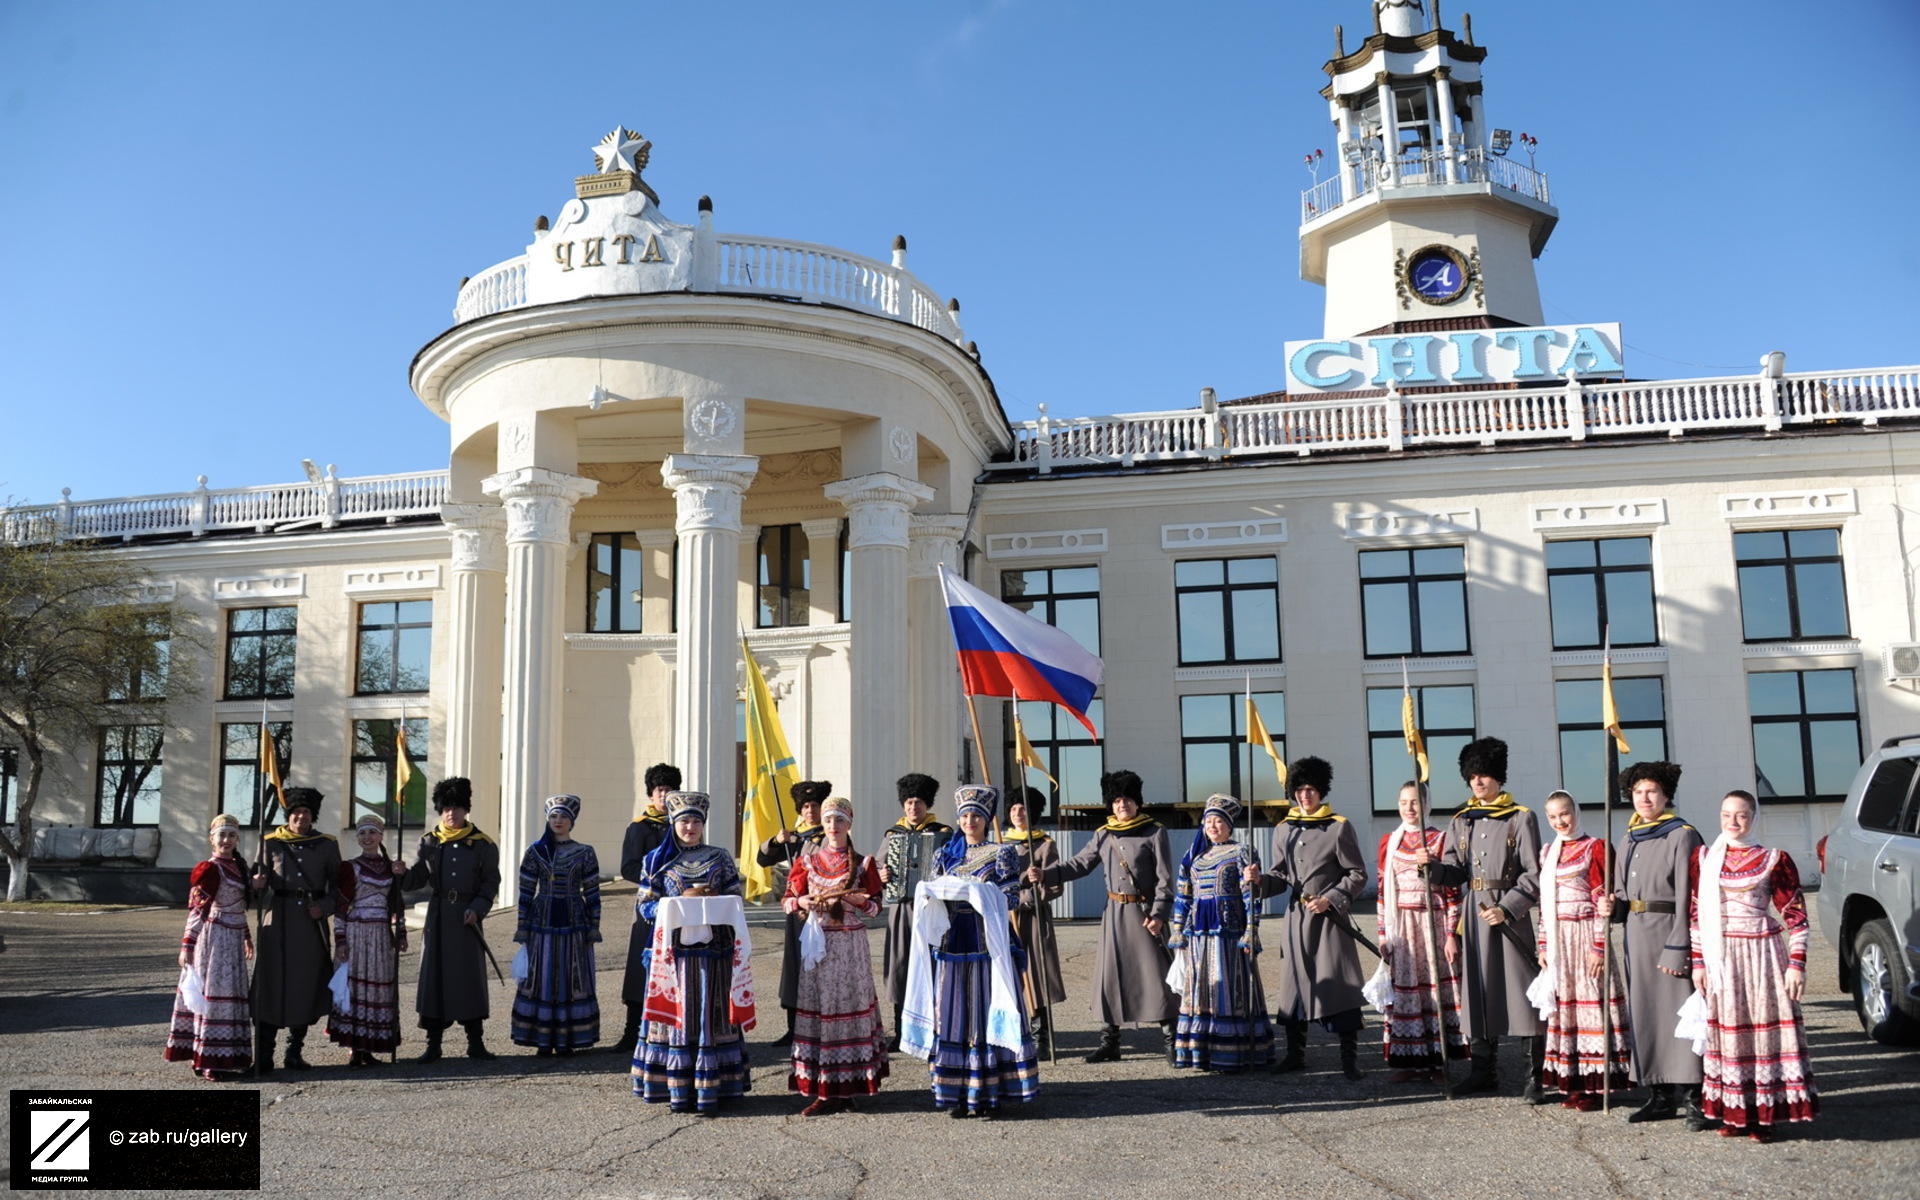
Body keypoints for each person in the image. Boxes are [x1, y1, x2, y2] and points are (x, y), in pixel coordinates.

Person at [1689, 789, 1818, 1141]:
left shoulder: (1774, 859)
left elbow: (1796, 915)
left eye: (1741, 815)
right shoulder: (1705, 858)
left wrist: (1797, 964)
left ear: (1753, 817)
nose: (1733, 822)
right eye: (1726, 814)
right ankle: (1735, 1115)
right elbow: (1696, 914)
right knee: (1729, 1035)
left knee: (1763, 1034)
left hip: (1762, 955)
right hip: (1722, 957)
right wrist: (1698, 963)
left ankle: (1765, 1117)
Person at [1421, 737, 1544, 1096]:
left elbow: (1532, 874)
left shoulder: (1521, 817)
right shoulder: (1461, 821)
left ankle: (1533, 1077)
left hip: (1507, 915)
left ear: (1498, 778)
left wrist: (1508, 908)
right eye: (1473, 776)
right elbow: (1456, 871)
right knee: (1478, 991)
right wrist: (1434, 871)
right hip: (1474, 916)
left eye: (1485, 775)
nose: (1478, 782)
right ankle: (1482, 1072)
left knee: (1521, 991)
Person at [908, 784, 1040, 1118]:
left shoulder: (1002, 853)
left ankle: (987, 1091)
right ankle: (957, 1092)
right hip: (952, 941)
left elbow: (1011, 897)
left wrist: (979, 893)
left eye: (976, 817)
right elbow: (933, 892)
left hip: (986, 941)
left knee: (984, 1009)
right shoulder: (944, 854)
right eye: (965, 816)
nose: (970, 822)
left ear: (986, 820)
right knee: (953, 1013)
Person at [1032, 769, 1177, 1063]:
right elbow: (1078, 865)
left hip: (1145, 913)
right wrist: (1044, 874)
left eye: (1128, 799)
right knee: (1110, 977)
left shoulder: (1154, 832)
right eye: (1117, 800)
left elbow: (1165, 880)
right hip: (1114, 915)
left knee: (1158, 977)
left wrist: (1160, 914)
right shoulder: (1104, 834)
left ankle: (1172, 1040)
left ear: (1138, 803)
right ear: (1111, 804)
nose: (1122, 805)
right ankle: (1110, 1042)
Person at [1597, 760, 1707, 1125]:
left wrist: (1681, 945)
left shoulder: (1681, 834)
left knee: (1680, 1015)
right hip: (1636, 936)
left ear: (1666, 795)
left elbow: (1691, 897)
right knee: (1646, 1016)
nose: (1644, 798)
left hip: (1668, 934)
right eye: (1638, 792)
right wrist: (1612, 905)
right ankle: (1660, 1094)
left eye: (1652, 792)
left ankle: (1696, 1095)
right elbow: (1623, 893)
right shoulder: (1628, 836)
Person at [631, 790, 754, 1115]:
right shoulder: (656, 860)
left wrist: (713, 900)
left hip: (714, 955)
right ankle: (675, 1087)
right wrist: (676, 905)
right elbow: (643, 906)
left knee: (712, 1016)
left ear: (703, 825)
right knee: (678, 1019)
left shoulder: (720, 857)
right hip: (674, 958)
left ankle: (716, 1086)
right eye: (684, 821)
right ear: (674, 823)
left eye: (696, 822)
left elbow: (735, 898)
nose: (690, 827)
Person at [1262, 757, 1368, 1080]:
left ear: (1321, 791)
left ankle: (1350, 1060)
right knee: (1293, 988)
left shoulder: (1339, 826)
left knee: (1340, 986)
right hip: (1296, 919)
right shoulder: (1283, 830)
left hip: (1329, 921)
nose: (1305, 795)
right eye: (1299, 789)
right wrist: (1258, 882)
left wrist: (1331, 899)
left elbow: (1357, 873)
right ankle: (1295, 1055)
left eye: (1310, 789)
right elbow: (1279, 876)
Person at [782, 795, 888, 1114]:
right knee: (822, 1011)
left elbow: (875, 908)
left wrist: (857, 902)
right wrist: (803, 903)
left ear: (849, 823)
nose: (833, 826)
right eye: (828, 820)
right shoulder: (808, 862)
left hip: (851, 947)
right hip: (820, 947)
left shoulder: (865, 863)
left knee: (849, 1009)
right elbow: (788, 899)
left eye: (839, 820)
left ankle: (850, 1086)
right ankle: (824, 1090)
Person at [1532, 790, 1631, 1110]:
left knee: (1594, 1008)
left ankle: (1598, 1084)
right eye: (1552, 816)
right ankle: (1573, 1079)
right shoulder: (1548, 851)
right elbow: (1543, 905)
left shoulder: (1596, 847)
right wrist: (1543, 945)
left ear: (1576, 811)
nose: (1560, 821)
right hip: (1560, 940)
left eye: (1565, 813)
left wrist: (1599, 947)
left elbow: (1604, 902)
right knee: (1566, 1010)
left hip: (1587, 935)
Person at [1167, 793, 1273, 1073]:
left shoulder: (1242, 852)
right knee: (1201, 990)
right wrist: (1178, 930)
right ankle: (1202, 1052)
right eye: (1208, 821)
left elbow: (1250, 894)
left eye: (1219, 821)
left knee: (1229, 988)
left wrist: (1252, 929)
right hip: (1198, 936)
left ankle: (1233, 1053)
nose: (1213, 826)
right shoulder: (1195, 858)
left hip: (1229, 933)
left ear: (1229, 826)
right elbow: (1183, 896)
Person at [405, 777, 502, 1063]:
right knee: (434, 979)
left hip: (466, 918)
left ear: (465, 810)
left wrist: (479, 907)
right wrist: (399, 873)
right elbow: (417, 878)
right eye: (447, 808)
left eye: (457, 807)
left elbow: (490, 882)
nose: (452, 813)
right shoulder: (430, 841)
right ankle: (433, 1044)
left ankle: (476, 1043)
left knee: (469, 980)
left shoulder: (482, 844)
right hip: (438, 918)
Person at [1376, 781, 1465, 1081]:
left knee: (1434, 992)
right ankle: (1409, 1060)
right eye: (1403, 802)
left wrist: (1452, 933)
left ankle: (1439, 1061)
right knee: (1406, 993)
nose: (1409, 808)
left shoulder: (1440, 840)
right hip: (1402, 926)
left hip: (1433, 924)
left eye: (1414, 802)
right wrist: (1383, 935)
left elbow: (1454, 891)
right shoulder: (1391, 841)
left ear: (1426, 804)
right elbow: (1382, 893)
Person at [251, 786, 340, 1075]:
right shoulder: (270, 842)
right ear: (288, 815)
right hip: (277, 921)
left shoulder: (327, 845)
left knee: (305, 985)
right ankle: (264, 1054)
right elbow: (251, 889)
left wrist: (325, 907)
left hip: (309, 923)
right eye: (296, 812)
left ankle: (294, 1051)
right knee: (271, 984)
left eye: (306, 813)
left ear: (313, 817)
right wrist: (257, 886)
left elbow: (339, 889)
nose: (301, 817)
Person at [163, 814, 255, 1080]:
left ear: (237, 840)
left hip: (233, 939)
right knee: (213, 995)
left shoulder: (239, 868)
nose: (226, 840)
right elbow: (197, 910)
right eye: (221, 836)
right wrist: (187, 944)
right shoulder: (210, 868)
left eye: (231, 836)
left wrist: (247, 935)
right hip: (214, 940)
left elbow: (238, 907)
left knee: (231, 996)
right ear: (212, 839)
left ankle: (228, 1056)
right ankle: (207, 1060)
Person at [511, 793, 602, 1054]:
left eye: (563, 816)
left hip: (574, 921)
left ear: (572, 821)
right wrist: (522, 924)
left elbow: (593, 891)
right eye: (553, 816)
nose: (558, 820)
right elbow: (526, 890)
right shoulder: (536, 851)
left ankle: (568, 1038)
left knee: (571, 975)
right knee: (542, 975)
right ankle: (542, 1039)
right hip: (543, 921)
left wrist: (594, 924)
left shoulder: (585, 852)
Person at [326, 813, 407, 1067]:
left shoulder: (390, 867)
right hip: (357, 933)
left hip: (381, 935)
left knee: (378, 987)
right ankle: (355, 1047)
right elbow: (340, 907)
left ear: (381, 836)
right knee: (357, 987)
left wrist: (401, 932)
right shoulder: (350, 867)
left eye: (372, 832)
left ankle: (370, 1045)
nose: (367, 837)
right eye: (362, 833)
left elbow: (397, 904)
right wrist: (340, 940)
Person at [878, 772, 951, 1042]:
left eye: (918, 802)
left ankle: (934, 1029)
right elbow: (877, 866)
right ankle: (901, 1031)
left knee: (932, 967)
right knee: (900, 967)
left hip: (931, 910)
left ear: (927, 805)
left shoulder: (943, 833)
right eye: (908, 802)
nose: (913, 807)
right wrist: (882, 874)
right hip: (901, 910)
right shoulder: (893, 834)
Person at [757, 778, 829, 1048]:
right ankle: (792, 1027)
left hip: (821, 910)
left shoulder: (830, 833)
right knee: (794, 969)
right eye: (806, 806)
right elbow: (762, 859)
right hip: (796, 910)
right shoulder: (793, 837)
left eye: (815, 805)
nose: (811, 810)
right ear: (800, 810)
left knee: (818, 967)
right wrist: (776, 841)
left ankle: (821, 1025)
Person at [614, 762, 680, 1054]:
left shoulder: (683, 824)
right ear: (651, 794)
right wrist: (658, 877)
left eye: (668, 790)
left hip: (679, 907)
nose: (663, 795)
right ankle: (632, 1030)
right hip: (649, 907)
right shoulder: (639, 827)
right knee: (641, 968)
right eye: (659, 790)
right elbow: (628, 867)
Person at [1004, 786, 1065, 1050]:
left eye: (1024, 808)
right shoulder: (999, 841)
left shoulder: (1044, 844)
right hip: (1006, 918)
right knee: (1008, 973)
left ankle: (1041, 1034)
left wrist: (1026, 896)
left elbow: (1053, 885)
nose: (1018, 813)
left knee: (1037, 972)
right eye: (1014, 808)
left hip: (1034, 918)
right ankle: (1013, 1031)